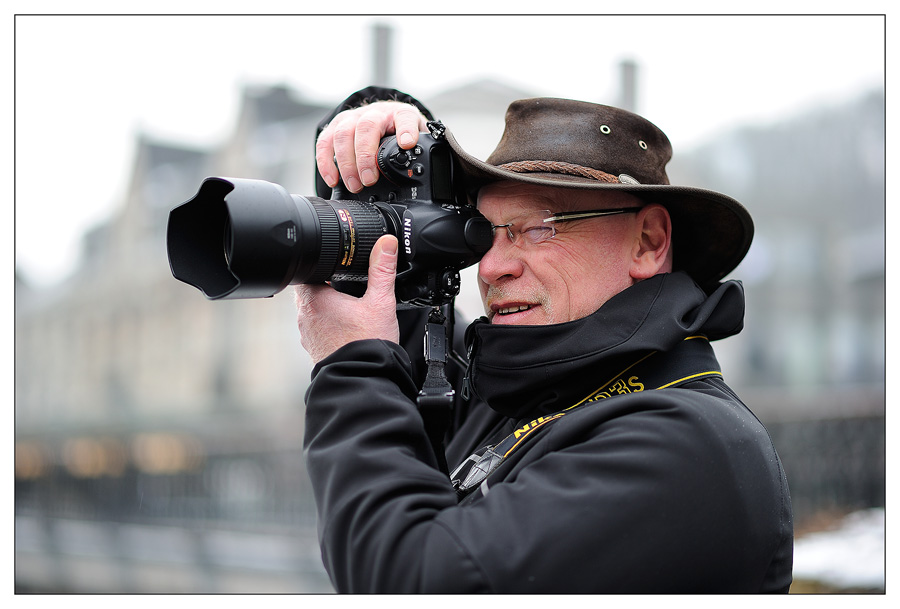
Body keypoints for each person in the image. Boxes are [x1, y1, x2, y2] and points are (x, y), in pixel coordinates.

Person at [293, 87, 794, 593]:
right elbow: (398, 317)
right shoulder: (516, 389)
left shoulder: (689, 446)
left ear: (648, 242)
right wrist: (381, 138)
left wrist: (349, 364)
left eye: (538, 228)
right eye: (486, 233)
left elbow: (410, 580)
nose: (490, 267)